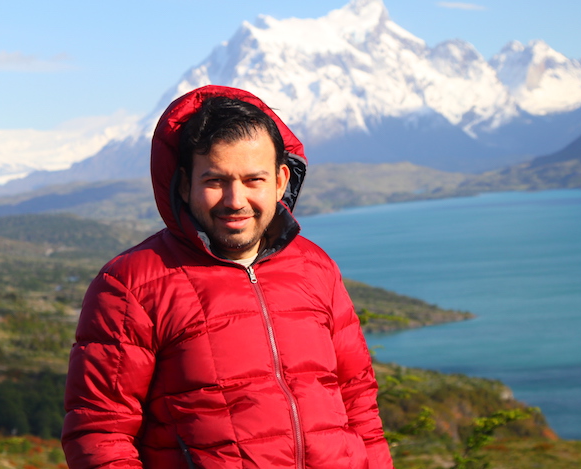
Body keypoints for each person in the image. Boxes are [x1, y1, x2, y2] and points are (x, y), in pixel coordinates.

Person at [62, 85, 393, 468]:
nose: (235, 200)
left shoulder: (315, 267)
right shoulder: (131, 285)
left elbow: (360, 406)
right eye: (215, 181)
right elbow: (101, 433)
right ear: (184, 185)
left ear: (281, 180)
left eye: (254, 180)